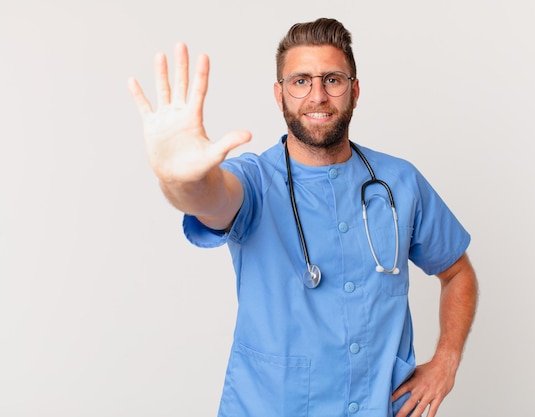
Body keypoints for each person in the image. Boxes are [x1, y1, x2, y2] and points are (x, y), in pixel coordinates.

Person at [128, 17, 478, 417]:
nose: (317, 96)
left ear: (355, 90)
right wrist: (181, 180)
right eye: (300, 81)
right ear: (279, 95)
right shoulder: (255, 181)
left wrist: (446, 363)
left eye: (332, 79)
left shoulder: (399, 182)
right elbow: (211, 199)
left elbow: (457, 273)